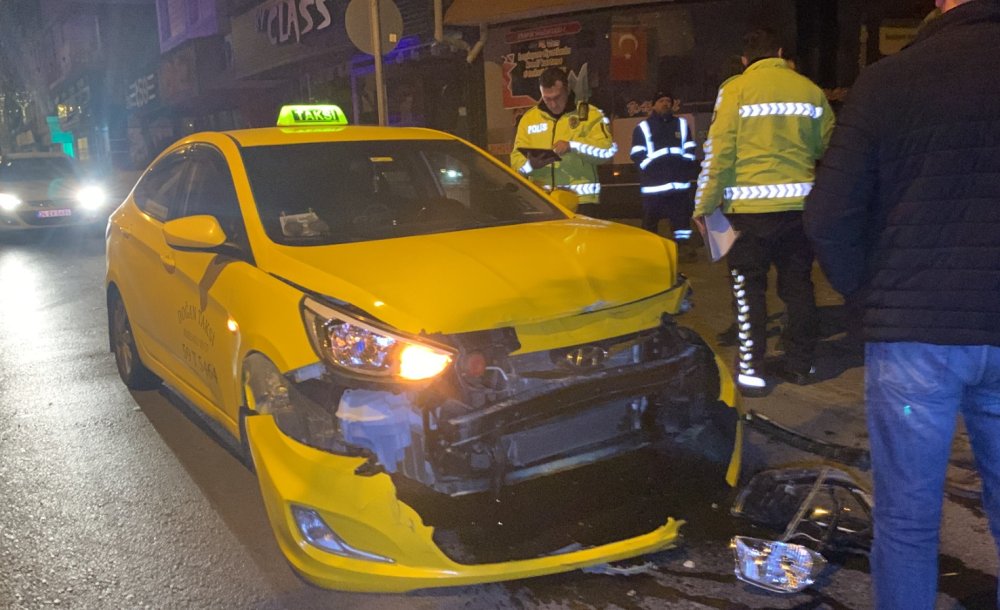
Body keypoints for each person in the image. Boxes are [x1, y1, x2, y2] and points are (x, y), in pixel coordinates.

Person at [803, 1, 1000, 608]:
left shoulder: (891, 79)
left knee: (908, 524)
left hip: (913, 340)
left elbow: (831, 212)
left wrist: (868, 297)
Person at [692, 28, 833, 396]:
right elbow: (827, 147)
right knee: (798, 288)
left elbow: (718, 153)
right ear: (781, 53)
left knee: (748, 292)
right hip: (797, 212)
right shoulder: (810, 90)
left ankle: (752, 372)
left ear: (744, 60)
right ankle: (802, 364)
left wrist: (703, 207)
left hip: (747, 216)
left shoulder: (735, 90)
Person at [510, 66, 616, 207]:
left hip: (581, 202)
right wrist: (530, 165)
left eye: (557, 98)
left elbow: (607, 151)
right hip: (543, 204)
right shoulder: (529, 119)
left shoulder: (590, 114)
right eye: (547, 99)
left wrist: (572, 146)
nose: (553, 104)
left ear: (567, 89)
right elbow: (515, 161)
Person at [629, 91, 699, 261]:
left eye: (668, 101)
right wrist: (651, 170)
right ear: (653, 105)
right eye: (661, 101)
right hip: (654, 187)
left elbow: (690, 148)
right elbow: (637, 154)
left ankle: (683, 249)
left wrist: (684, 167)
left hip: (678, 185)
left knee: (682, 221)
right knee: (650, 222)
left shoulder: (682, 125)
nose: (665, 104)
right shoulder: (643, 128)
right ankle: (649, 251)